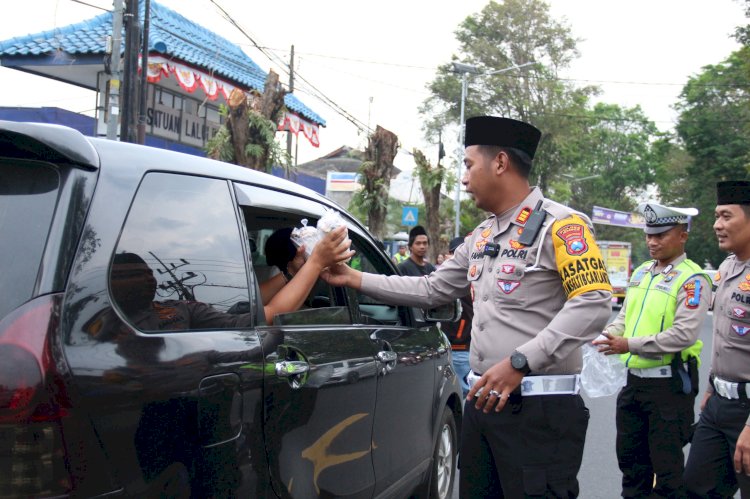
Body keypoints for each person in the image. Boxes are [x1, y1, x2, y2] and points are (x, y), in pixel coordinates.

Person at [321, 116, 612, 498]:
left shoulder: (562, 226)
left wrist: (520, 362)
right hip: (484, 405)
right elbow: (432, 288)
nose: (463, 178)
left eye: (469, 164)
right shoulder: (482, 235)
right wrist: (354, 279)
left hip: (540, 411)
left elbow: (593, 302)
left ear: (500, 163)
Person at [593, 202, 710, 498]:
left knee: (667, 471)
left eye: (661, 235)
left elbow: (682, 335)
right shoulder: (642, 272)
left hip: (668, 387)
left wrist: (627, 344)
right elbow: (624, 317)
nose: (652, 242)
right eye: (649, 235)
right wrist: (609, 334)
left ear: (682, 236)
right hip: (634, 383)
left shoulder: (693, 279)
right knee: (631, 465)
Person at [109, 226, 353, 330]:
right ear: (111, 283)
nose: (147, 279)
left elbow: (259, 309)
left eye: (148, 272)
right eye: (131, 274)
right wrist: (316, 263)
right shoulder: (103, 325)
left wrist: (291, 273)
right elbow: (270, 314)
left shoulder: (184, 309)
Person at [684, 180, 750, 498]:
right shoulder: (727, 267)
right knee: (697, 488)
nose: (717, 225)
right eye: (716, 216)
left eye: (726, 216)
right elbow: (725, 339)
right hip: (719, 405)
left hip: (748, 412)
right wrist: (711, 387)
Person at [441, 235, 474, 396]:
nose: (458, 258)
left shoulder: (471, 277)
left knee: (463, 393)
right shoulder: (449, 276)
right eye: (455, 254)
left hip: (462, 347)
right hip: (453, 346)